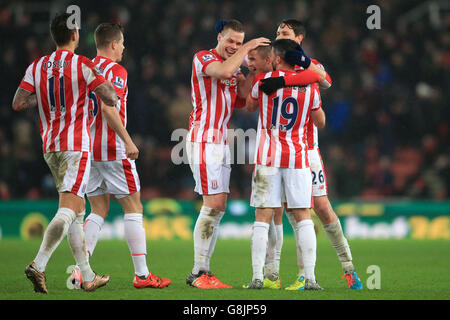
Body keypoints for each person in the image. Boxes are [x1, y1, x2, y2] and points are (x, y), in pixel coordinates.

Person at [13, 13, 119, 293]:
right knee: (69, 209)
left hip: (50, 147)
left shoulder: (37, 66)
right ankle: (39, 264)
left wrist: (45, 97)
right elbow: (109, 97)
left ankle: (86, 276)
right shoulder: (83, 65)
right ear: (75, 36)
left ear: (54, 36)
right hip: (75, 147)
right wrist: (106, 91)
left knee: (78, 210)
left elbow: (19, 102)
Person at [68, 23, 171, 290]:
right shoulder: (116, 71)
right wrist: (128, 141)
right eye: (122, 42)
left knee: (98, 209)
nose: (124, 47)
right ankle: (142, 274)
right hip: (113, 149)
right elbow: (108, 109)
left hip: (88, 151)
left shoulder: (83, 69)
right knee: (134, 208)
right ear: (113, 44)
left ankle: (81, 273)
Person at [263, 19, 363, 290]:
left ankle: (348, 268)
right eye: (277, 33)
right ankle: (279, 274)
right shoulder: (272, 65)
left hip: (306, 151)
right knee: (281, 211)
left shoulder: (310, 66)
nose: (278, 36)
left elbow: (325, 80)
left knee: (319, 207)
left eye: (284, 33)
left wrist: (296, 70)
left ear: (299, 38)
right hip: (278, 151)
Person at [185, 19, 271, 289]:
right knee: (212, 204)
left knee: (219, 205)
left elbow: (245, 102)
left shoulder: (235, 70)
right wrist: (246, 49)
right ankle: (199, 271)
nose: (234, 46)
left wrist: (255, 69)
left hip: (221, 142)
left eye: (238, 41)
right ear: (219, 37)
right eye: (231, 41)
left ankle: (203, 270)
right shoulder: (203, 58)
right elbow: (222, 72)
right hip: (203, 139)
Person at [244, 39, 324, 290]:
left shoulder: (262, 83)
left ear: (277, 58)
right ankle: (310, 278)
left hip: (268, 156)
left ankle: (258, 277)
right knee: (302, 217)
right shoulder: (310, 86)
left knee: (262, 217)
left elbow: (249, 106)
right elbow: (320, 121)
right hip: (298, 157)